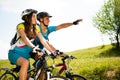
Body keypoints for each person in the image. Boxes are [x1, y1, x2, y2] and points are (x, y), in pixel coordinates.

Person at [8, 9, 55, 80]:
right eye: (33, 16)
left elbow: (43, 41)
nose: (35, 18)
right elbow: (24, 38)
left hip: (27, 55)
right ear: (27, 17)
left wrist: (53, 51)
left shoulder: (36, 27)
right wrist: (33, 47)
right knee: (25, 63)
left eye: (35, 16)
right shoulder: (21, 26)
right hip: (15, 53)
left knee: (41, 61)